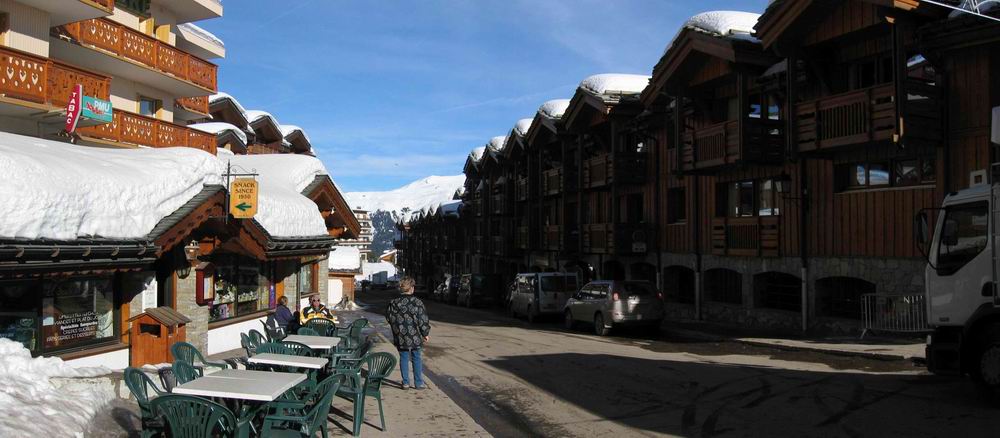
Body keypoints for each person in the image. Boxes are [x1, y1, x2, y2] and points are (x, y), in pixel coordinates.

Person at [386, 276, 430, 389]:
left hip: (400, 335)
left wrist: (396, 328)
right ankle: (418, 383)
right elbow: (423, 319)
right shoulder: (417, 302)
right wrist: (425, 333)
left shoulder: (393, 303)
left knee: (404, 357)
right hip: (415, 335)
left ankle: (405, 382)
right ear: (412, 288)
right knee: (416, 357)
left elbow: (389, 317)